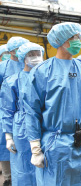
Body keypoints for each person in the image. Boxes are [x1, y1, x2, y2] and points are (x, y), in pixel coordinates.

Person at [23, 22, 81, 185]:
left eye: (79, 37)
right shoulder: (43, 72)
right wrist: (35, 147)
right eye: (74, 37)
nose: (78, 41)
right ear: (62, 40)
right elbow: (31, 111)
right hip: (56, 145)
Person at [1, 42, 44, 186]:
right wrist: (8, 136)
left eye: (38, 54)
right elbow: (7, 110)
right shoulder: (12, 81)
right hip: (22, 128)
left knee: (45, 166)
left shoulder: (46, 78)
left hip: (44, 125)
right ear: (22, 58)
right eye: (31, 55)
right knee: (23, 166)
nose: (36, 57)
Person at [0, 36, 29, 186]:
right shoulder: (3, 67)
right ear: (11, 51)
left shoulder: (31, 64)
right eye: (19, 48)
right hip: (7, 110)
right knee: (6, 145)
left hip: (28, 112)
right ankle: (8, 177)